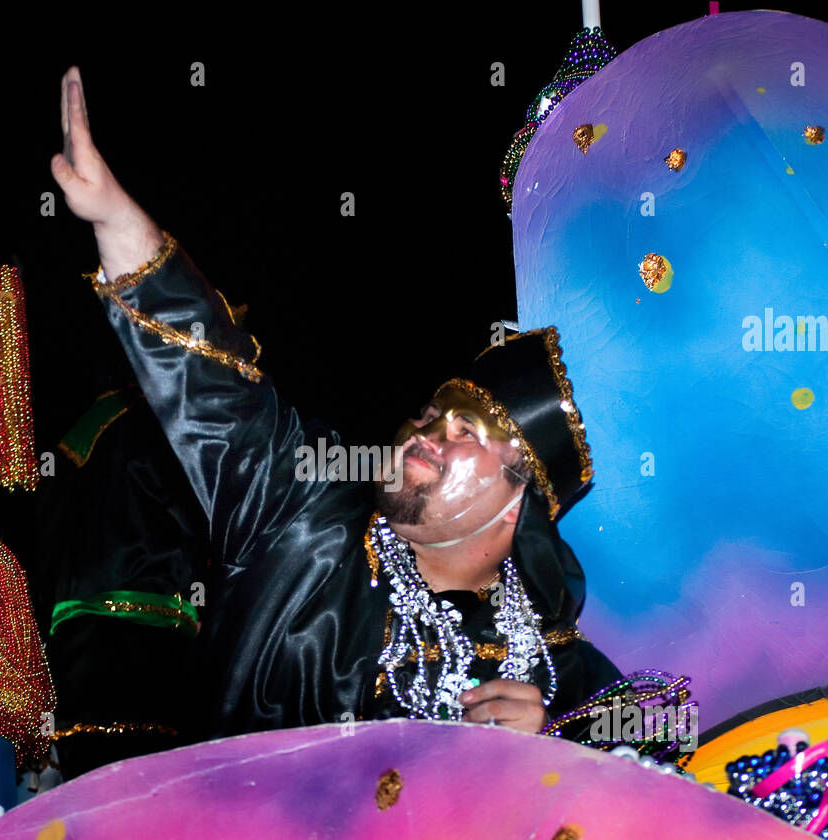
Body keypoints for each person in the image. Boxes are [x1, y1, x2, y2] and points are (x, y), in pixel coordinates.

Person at [50, 66, 623, 741]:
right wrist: (117, 219)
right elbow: (219, 393)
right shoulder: (303, 527)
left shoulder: (557, 662)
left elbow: (673, 740)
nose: (425, 432)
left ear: (516, 495)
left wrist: (559, 739)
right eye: (433, 414)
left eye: (465, 428)